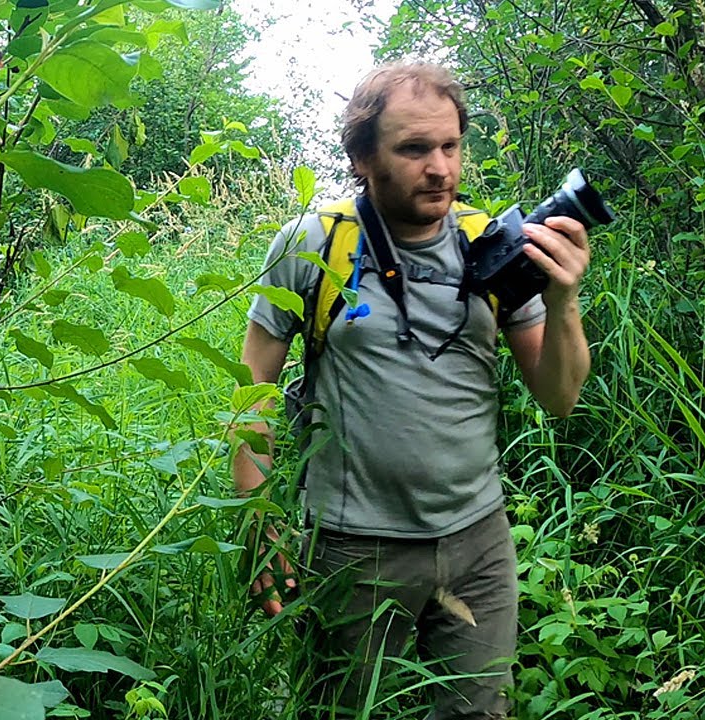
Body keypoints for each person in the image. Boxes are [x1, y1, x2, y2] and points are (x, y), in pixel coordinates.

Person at [234, 62, 592, 719]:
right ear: (363, 156)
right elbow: (252, 387)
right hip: (350, 547)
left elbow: (559, 397)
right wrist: (259, 524)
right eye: (414, 149)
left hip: (479, 542)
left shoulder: (494, 244)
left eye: (451, 146)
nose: (440, 168)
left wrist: (564, 301)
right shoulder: (316, 244)